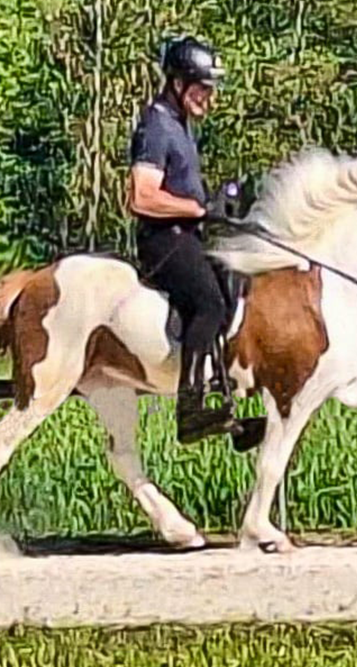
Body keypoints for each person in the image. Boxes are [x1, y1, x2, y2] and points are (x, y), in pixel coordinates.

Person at [127, 36, 239, 444]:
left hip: (186, 234)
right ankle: (189, 410)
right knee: (208, 302)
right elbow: (141, 195)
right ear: (177, 83)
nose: (210, 99)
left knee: (231, 286)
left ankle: (226, 401)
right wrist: (196, 209)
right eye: (203, 89)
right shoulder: (156, 127)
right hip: (163, 240)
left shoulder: (181, 126)